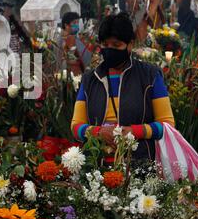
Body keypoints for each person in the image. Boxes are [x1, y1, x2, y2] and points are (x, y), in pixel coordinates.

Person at [71, 12, 175, 164]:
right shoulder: (89, 79)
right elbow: (76, 127)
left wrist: (135, 131)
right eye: (105, 45)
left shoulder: (150, 75)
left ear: (130, 44)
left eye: (116, 45)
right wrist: (98, 132)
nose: (109, 49)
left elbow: (167, 125)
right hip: (96, 166)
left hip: (139, 164)